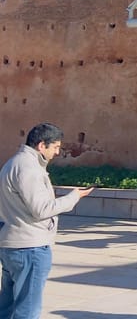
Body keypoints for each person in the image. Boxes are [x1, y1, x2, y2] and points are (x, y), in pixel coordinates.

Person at [0, 123, 94, 318]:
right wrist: (74, 197)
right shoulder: (29, 168)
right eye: (56, 147)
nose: (57, 152)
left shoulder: (13, 163)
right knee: (27, 309)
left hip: (13, 244)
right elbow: (42, 209)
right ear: (42, 145)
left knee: (7, 307)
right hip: (30, 247)